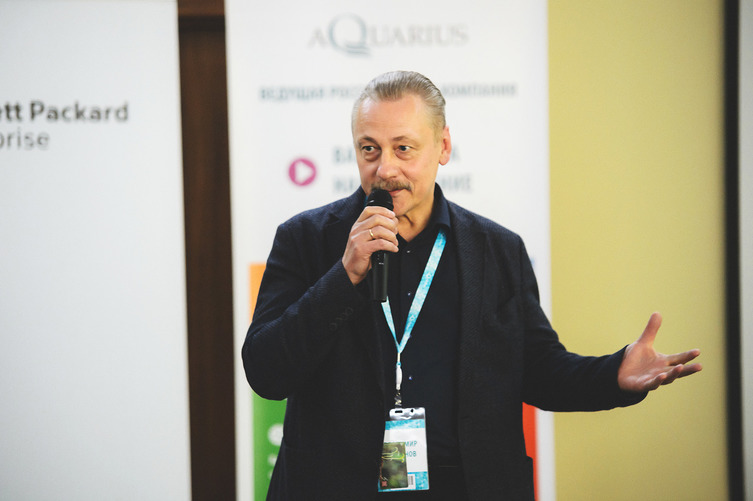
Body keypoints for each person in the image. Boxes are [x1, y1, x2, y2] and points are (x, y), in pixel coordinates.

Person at [242, 70, 702, 500]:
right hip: (337, 486)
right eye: (369, 149)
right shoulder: (305, 240)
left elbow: (538, 370)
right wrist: (344, 277)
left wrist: (614, 374)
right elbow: (265, 371)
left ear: (443, 146)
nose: (385, 168)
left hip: (468, 486)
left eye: (404, 148)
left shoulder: (497, 250)